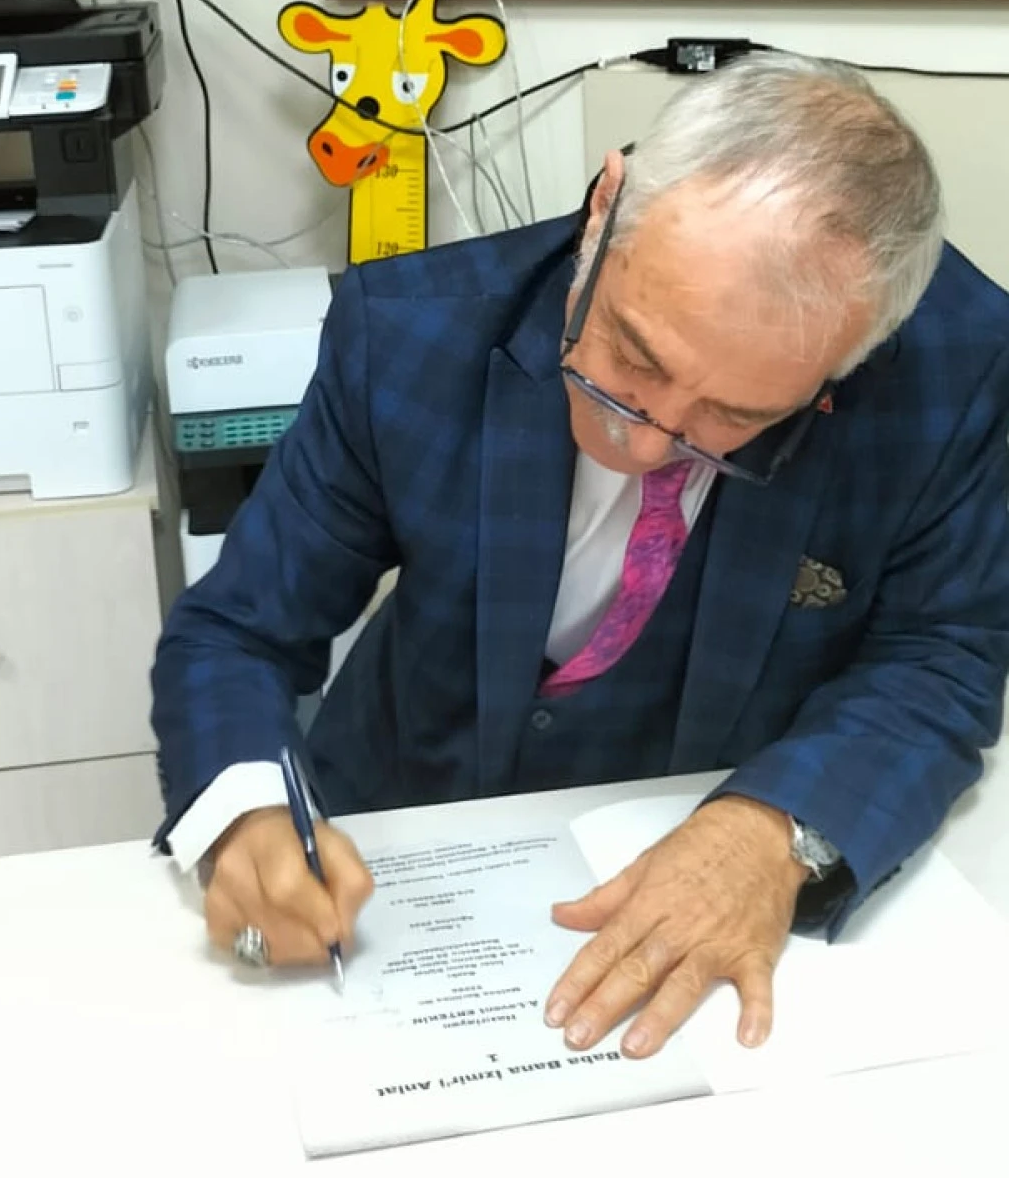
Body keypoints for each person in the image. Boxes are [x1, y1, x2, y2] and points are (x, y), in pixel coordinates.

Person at [152, 55, 1009, 1065]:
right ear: (607, 209)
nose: (644, 441)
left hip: (707, 848)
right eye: (634, 357)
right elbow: (237, 629)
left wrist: (776, 827)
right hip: (406, 838)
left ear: (848, 362)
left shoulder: (957, 370)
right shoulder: (410, 330)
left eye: (735, 417)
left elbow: (942, 655)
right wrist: (246, 810)